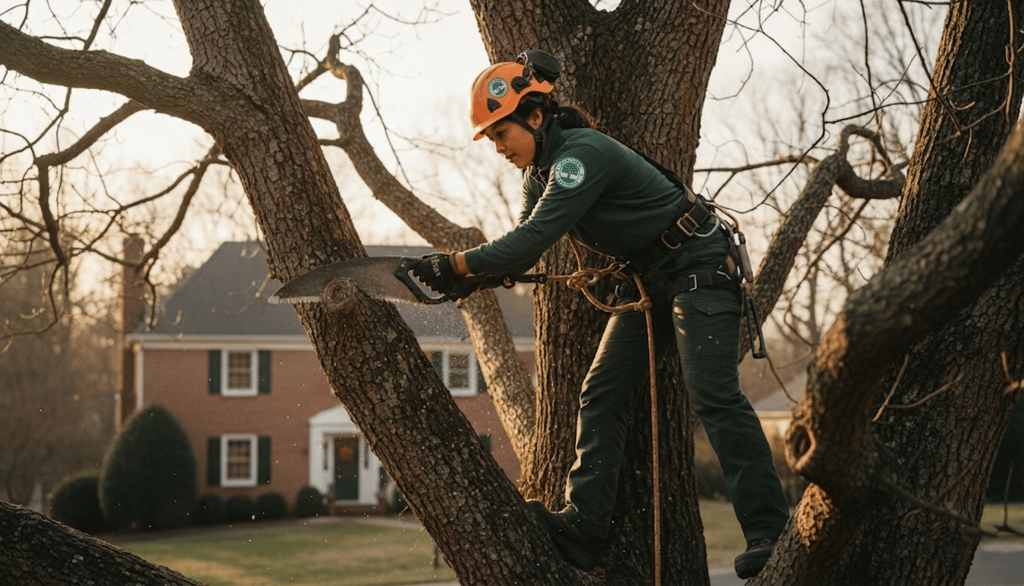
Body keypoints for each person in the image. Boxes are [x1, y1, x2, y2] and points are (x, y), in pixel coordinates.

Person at [409, 50, 789, 579]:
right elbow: (523, 248)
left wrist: (454, 264)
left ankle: (771, 529)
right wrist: (467, 276)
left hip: (699, 268)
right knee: (601, 389)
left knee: (713, 395)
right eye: (490, 138)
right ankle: (585, 527)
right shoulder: (539, 177)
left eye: (501, 133)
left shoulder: (578, 155)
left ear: (535, 117)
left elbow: (528, 243)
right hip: (651, 282)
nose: (496, 147)